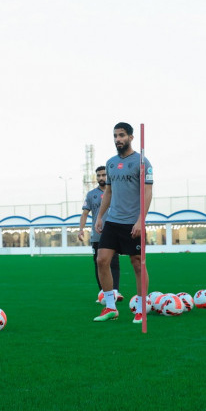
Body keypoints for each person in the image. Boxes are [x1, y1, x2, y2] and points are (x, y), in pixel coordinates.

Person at [93, 122, 153, 324]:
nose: (118, 139)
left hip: (132, 223)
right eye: (115, 136)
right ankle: (110, 307)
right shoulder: (110, 163)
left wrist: (140, 221)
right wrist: (100, 216)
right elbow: (108, 192)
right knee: (101, 260)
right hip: (113, 221)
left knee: (137, 263)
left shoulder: (142, 162)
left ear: (131, 137)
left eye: (121, 135)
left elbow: (147, 192)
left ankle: (141, 308)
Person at [78, 166, 122, 303]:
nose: (101, 178)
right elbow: (85, 213)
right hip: (97, 235)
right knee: (99, 263)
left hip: (114, 232)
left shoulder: (116, 192)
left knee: (114, 262)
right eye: (98, 175)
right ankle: (102, 292)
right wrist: (81, 229)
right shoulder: (91, 195)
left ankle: (114, 291)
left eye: (103, 175)